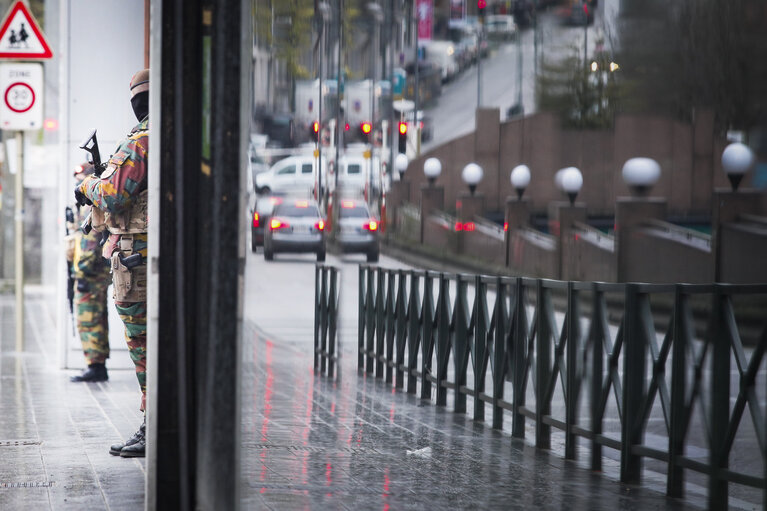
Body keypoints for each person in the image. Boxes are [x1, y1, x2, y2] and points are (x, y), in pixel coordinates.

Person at [75, 69, 149, 458]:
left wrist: (88, 183)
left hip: (139, 264)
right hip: (159, 258)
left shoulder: (142, 142)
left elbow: (113, 194)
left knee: (144, 343)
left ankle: (154, 425)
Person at [67, 162, 112, 382]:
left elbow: (90, 242)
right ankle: (97, 364)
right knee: (96, 318)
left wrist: (80, 270)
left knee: (90, 319)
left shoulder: (91, 205)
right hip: (94, 273)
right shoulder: (87, 204)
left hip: (90, 274)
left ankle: (96, 365)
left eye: (81, 178)